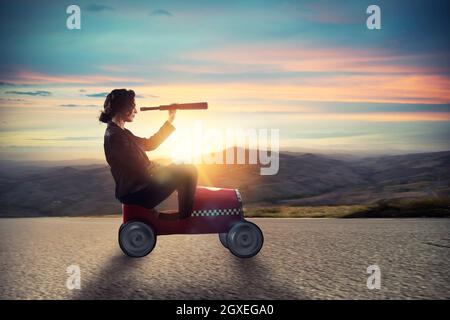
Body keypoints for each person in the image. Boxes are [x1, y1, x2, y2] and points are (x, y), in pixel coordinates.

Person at [99, 89, 198, 218]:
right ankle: (184, 217)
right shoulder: (115, 136)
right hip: (137, 192)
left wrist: (170, 119)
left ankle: (177, 216)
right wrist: (169, 169)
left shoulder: (121, 132)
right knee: (189, 170)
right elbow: (140, 167)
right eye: (133, 107)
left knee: (182, 168)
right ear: (124, 108)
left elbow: (150, 144)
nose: (135, 111)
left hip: (138, 188)